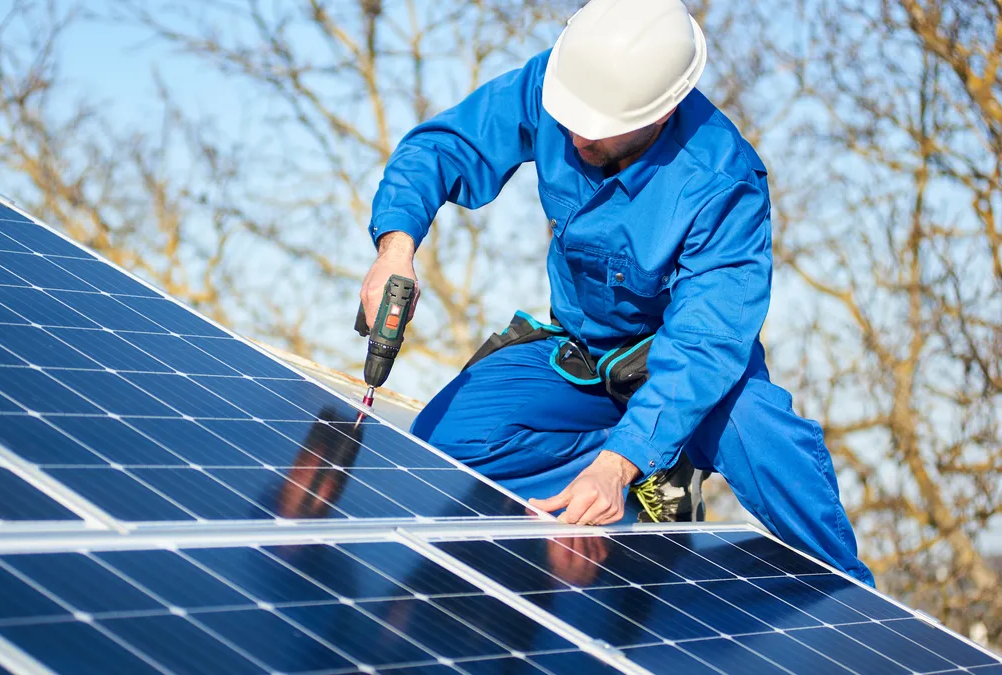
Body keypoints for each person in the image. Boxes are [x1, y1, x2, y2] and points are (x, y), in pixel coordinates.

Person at [358, 0, 874, 585]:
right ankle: (651, 470)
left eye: (599, 127)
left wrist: (620, 460)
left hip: (679, 370)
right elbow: (444, 146)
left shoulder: (723, 183)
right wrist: (396, 247)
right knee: (444, 445)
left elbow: (705, 344)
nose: (576, 135)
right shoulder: (561, 83)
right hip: (581, 356)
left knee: (768, 443)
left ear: (664, 109)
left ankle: (857, 597)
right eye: (572, 118)